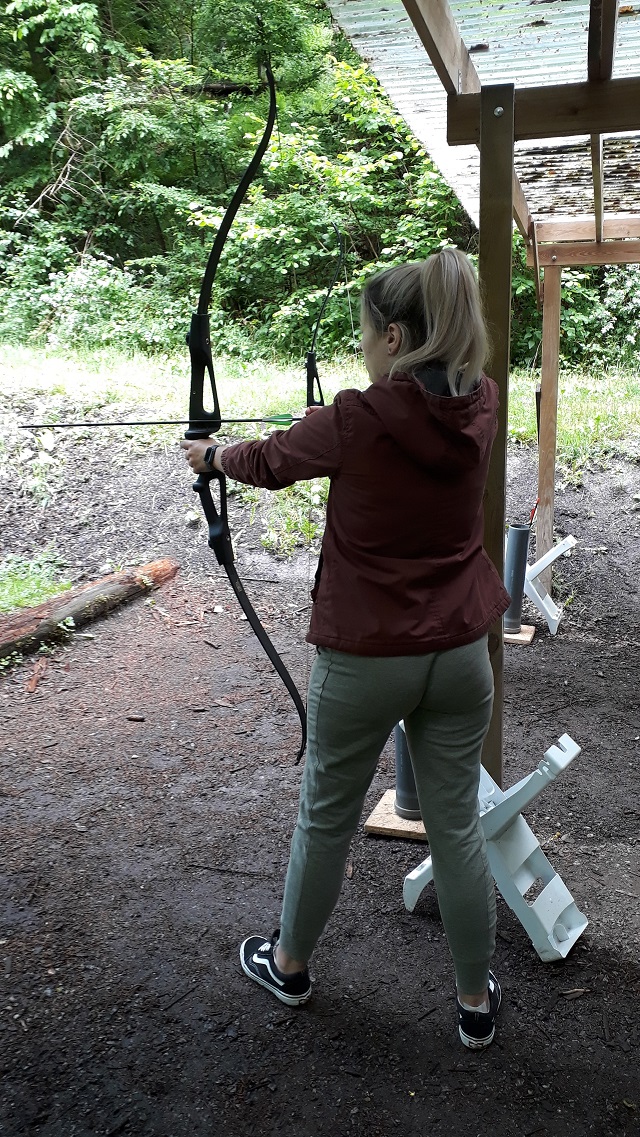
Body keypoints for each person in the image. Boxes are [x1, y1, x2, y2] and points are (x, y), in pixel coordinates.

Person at [181, 248, 510, 1050]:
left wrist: (211, 455)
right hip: (460, 652)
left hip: (367, 656)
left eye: (367, 334)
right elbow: (361, 436)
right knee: (457, 826)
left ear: (393, 337)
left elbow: (271, 460)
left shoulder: (356, 418)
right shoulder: (483, 401)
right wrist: (316, 427)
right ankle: (475, 1004)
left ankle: (289, 965)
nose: (362, 348)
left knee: (326, 818)